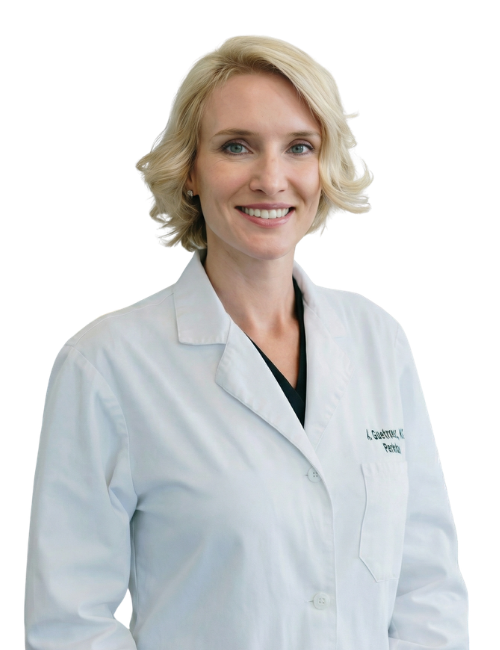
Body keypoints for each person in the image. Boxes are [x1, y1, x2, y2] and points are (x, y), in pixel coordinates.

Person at [24, 34, 469, 649]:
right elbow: (70, 623)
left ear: (325, 167)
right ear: (190, 170)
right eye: (237, 146)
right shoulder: (107, 362)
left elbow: (428, 585)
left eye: (299, 147)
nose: (271, 179)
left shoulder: (377, 338)